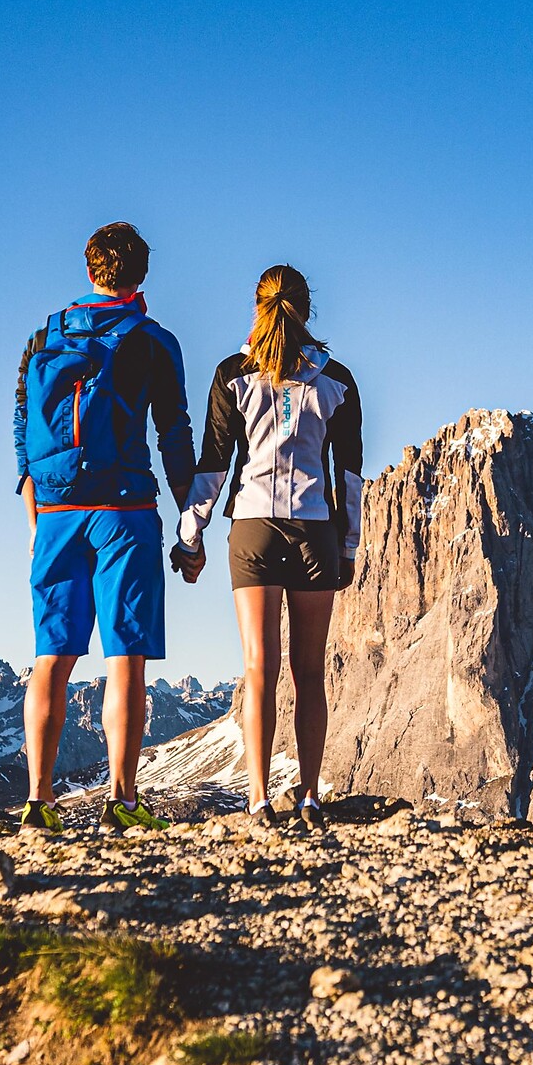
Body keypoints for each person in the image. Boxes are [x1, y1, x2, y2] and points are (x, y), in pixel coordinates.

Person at [13, 222, 197, 834]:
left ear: (90, 268)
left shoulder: (46, 334)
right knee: (127, 657)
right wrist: (188, 520)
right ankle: (122, 800)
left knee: (51, 656)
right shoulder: (152, 339)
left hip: (56, 512)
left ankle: (38, 803)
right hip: (124, 510)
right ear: (141, 276)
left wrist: (31, 493)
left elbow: (21, 419)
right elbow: (173, 433)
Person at [174, 265, 362, 831]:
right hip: (315, 531)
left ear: (257, 307)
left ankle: (258, 803)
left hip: (252, 527)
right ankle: (308, 797)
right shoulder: (339, 382)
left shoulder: (233, 374)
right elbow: (348, 475)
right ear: (307, 309)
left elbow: (213, 463)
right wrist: (348, 547)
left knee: (259, 670)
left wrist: (191, 533)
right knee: (309, 672)